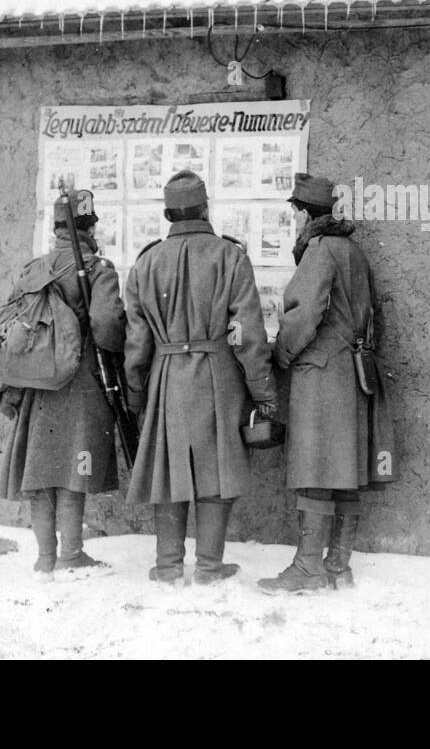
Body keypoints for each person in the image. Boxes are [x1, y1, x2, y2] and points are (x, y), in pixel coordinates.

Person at [124, 171, 277, 586]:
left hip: (166, 377)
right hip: (218, 377)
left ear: (167, 213)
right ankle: (209, 567)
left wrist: (136, 397)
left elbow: (136, 343)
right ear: (206, 208)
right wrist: (264, 393)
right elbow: (248, 334)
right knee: (217, 468)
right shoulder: (231, 256)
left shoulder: (146, 262)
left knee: (168, 469)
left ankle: (169, 566)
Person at [260, 173, 387, 594]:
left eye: (293, 212)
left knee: (315, 470)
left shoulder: (319, 250)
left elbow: (303, 314)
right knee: (345, 470)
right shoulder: (353, 250)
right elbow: (375, 317)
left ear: (301, 212)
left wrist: (281, 353)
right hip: (353, 373)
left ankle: (308, 567)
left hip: (320, 372)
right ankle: (338, 568)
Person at [0, 190, 125, 582]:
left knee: (40, 470)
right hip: (81, 381)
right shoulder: (97, 268)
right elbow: (106, 327)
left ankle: (45, 560)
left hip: (36, 384)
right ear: (90, 226)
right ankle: (71, 555)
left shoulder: (33, 269)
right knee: (73, 467)